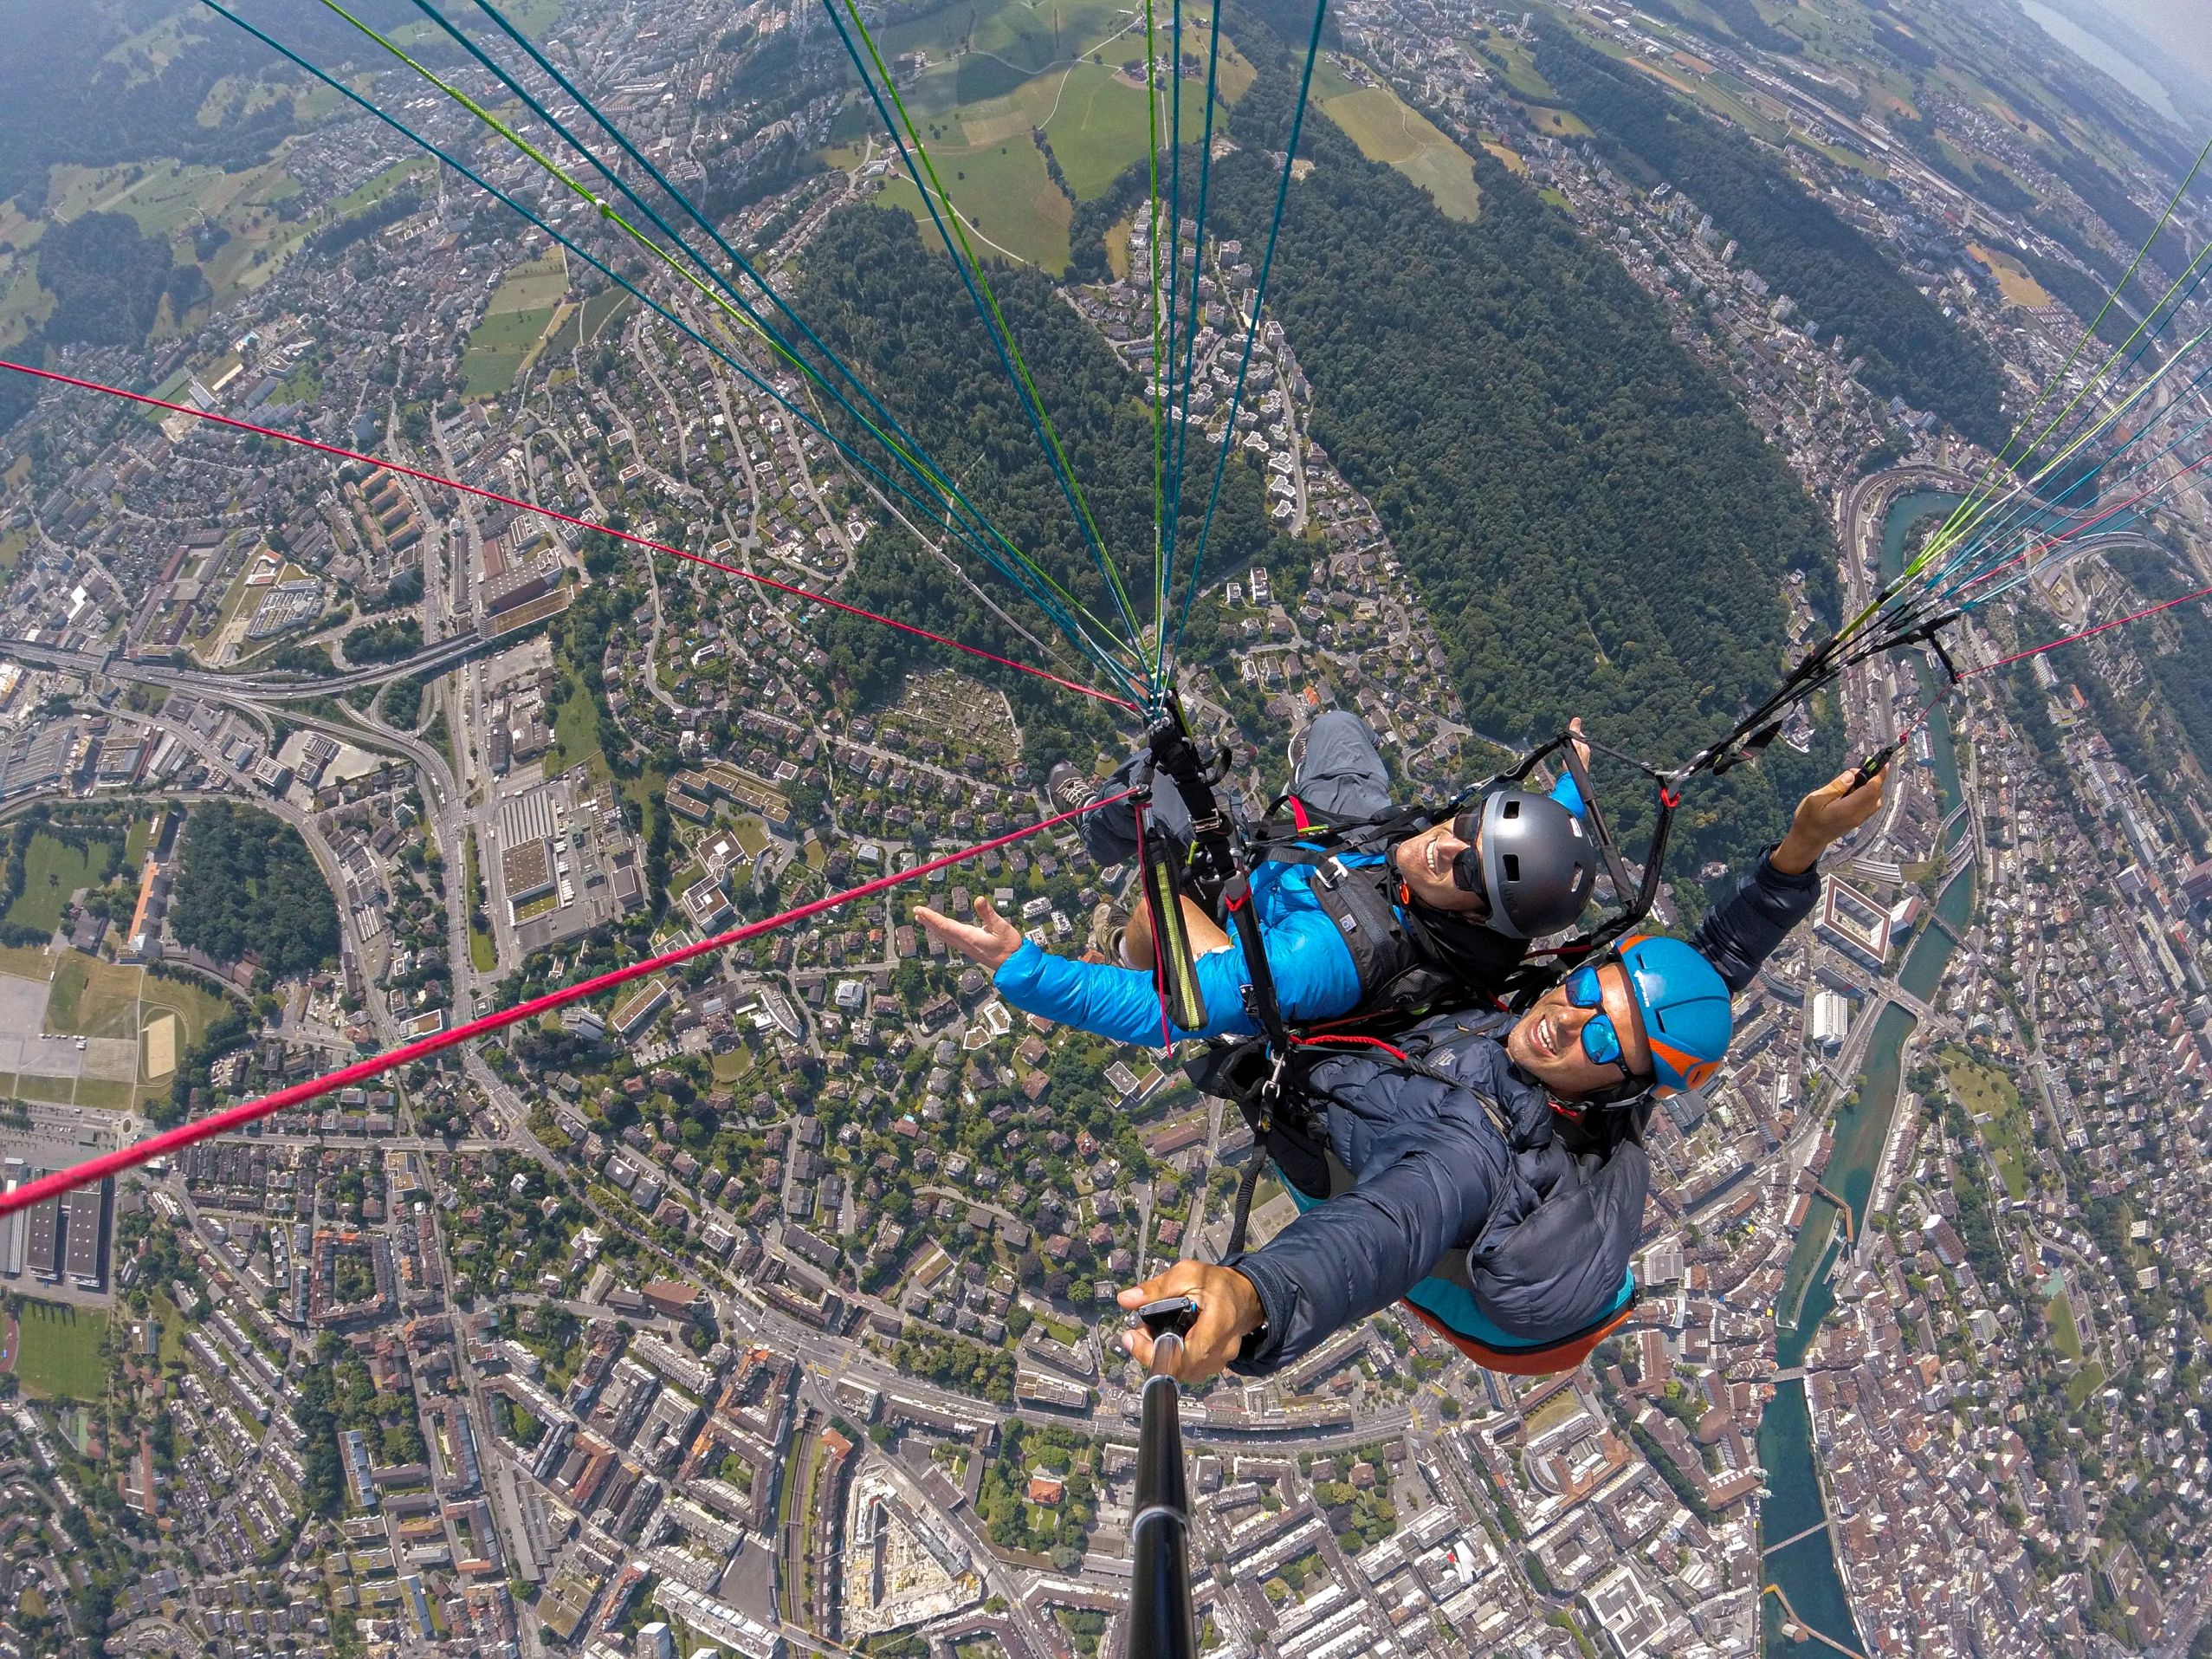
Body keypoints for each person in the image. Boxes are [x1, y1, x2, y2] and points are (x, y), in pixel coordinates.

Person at [1111, 763, 1887, 1383]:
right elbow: (1709, 975)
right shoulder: (1604, 1089)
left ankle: (1129, 946)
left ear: (1622, 1086)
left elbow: (1379, 1236)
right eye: (1588, 987)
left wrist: (1249, 1298)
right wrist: (1798, 852)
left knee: (1161, 914)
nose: (1569, 1017)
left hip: (1339, 1107)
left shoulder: (1476, 1156)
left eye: (1604, 1042)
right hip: (1402, 1058)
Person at [915, 710, 1600, 1047]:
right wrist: (1570, 795)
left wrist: (1026, 970)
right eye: (1468, 825)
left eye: (1467, 868)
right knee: (1337, 730)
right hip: (1342, 863)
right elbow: (1512, 861)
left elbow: (1171, 1012)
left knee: (1157, 840)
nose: (1443, 846)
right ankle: (1307, 780)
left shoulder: (1323, 959)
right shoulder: (1454, 869)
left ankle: (1108, 884)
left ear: (1478, 916)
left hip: (1274, 911)